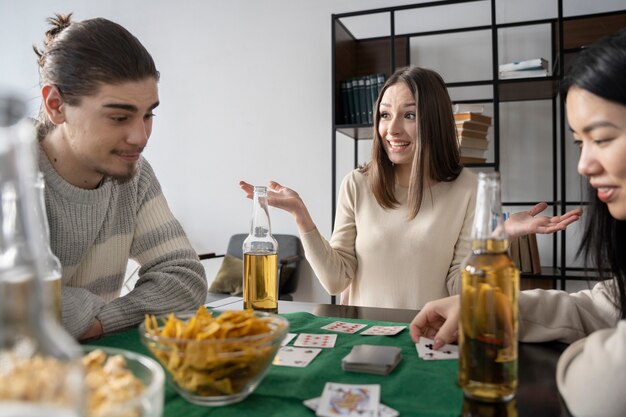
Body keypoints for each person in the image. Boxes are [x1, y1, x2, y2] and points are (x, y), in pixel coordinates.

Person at [410, 29, 626, 417]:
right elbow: (599, 306)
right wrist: (483, 307)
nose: (583, 166)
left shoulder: (467, 185)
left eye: (604, 139)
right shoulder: (355, 183)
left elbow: (603, 391)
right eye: (579, 143)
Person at [240, 66, 580, 310]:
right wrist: (301, 215)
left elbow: (459, 288)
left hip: (429, 339)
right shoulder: (357, 183)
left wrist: (499, 236)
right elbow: (336, 280)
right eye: (385, 115)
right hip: (363, 337)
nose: (392, 129)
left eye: (410, 115)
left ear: (434, 120)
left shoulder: (468, 188)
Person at [33, 14, 207, 340]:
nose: (140, 137)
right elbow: (16, 303)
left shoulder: (135, 175)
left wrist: (99, 320)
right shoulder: (11, 172)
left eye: (148, 114)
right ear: (56, 105)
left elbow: (185, 279)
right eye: (119, 117)